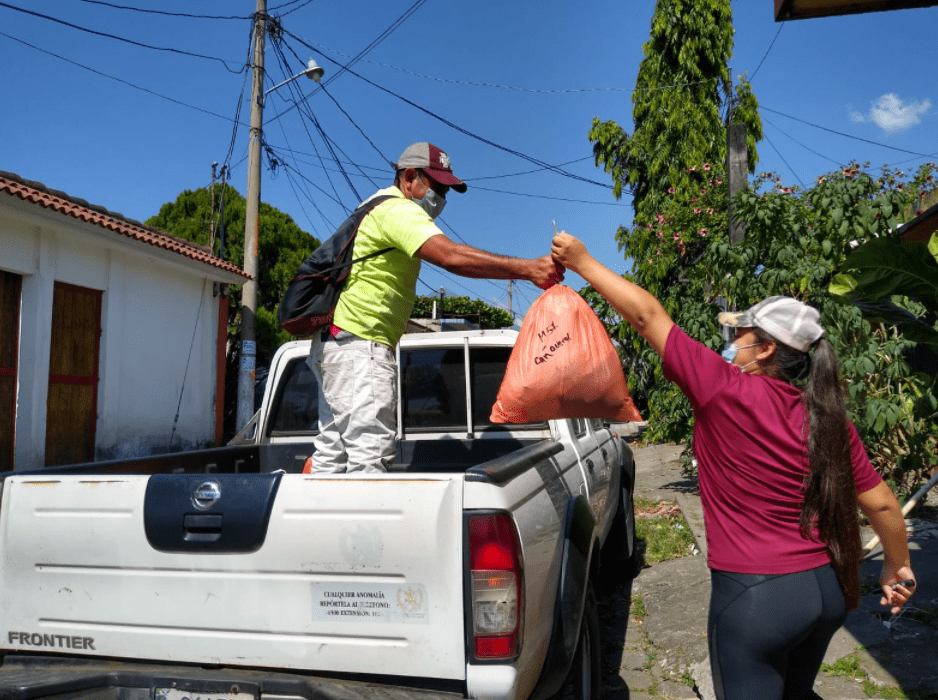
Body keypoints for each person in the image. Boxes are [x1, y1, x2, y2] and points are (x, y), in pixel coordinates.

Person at [550, 231, 916, 700]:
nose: (732, 340)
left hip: (756, 598)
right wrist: (896, 567)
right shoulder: (827, 416)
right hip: (826, 592)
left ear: (765, 348)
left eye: (741, 332)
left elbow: (647, 316)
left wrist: (582, 261)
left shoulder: (723, 389)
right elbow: (883, 504)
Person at [307, 142, 563, 474]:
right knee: (369, 460)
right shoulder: (399, 209)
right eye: (437, 186)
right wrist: (529, 269)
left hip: (337, 343)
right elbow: (451, 256)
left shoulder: (372, 205)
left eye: (447, 190)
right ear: (409, 177)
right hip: (359, 346)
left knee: (332, 458)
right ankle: (362, 529)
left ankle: (320, 526)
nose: (442, 196)